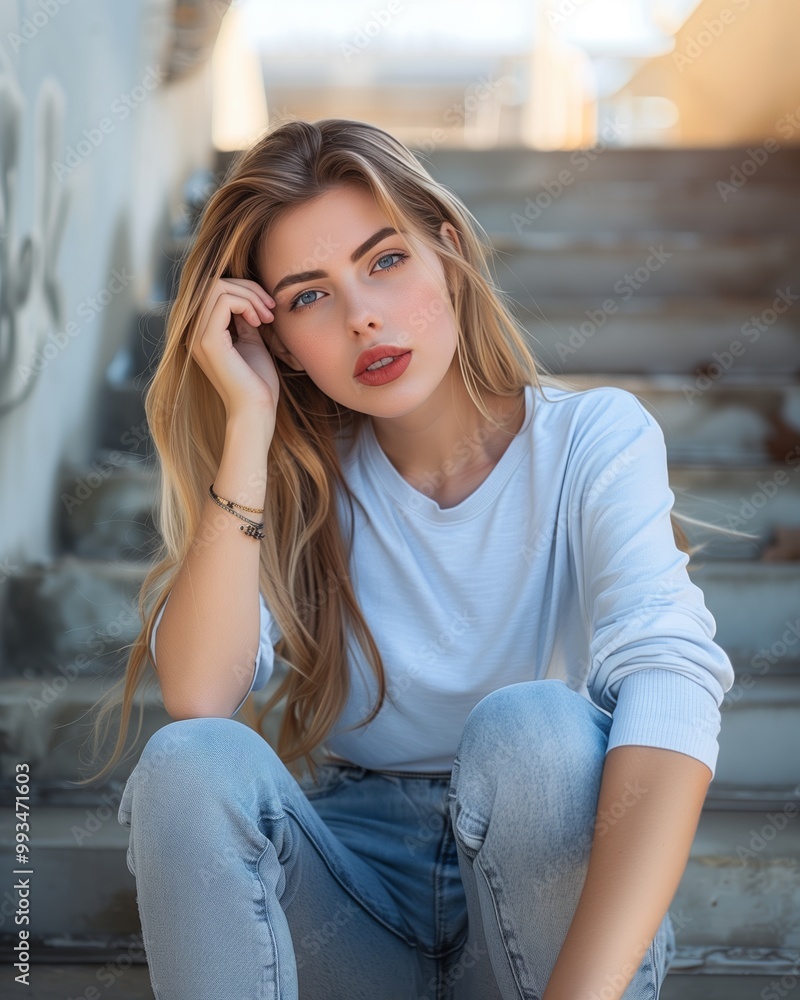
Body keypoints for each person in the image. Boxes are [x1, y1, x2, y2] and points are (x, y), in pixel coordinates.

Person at [81, 117, 739, 999]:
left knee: (536, 730)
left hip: (539, 880)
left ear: (449, 250)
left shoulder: (593, 439)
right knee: (187, 762)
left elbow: (670, 675)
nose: (363, 317)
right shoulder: (297, 480)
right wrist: (248, 428)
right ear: (277, 339)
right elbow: (202, 697)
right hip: (349, 905)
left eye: (385, 260)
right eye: (310, 296)